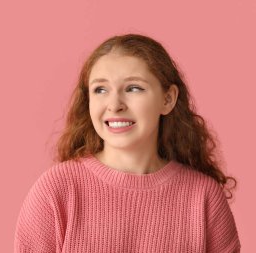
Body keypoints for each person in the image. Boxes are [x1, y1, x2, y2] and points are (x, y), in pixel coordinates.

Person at [14, 33, 241, 252]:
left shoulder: (204, 197)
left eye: (134, 88)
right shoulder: (57, 191)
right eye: (100, 89)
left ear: (168, 99)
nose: (114, 105)